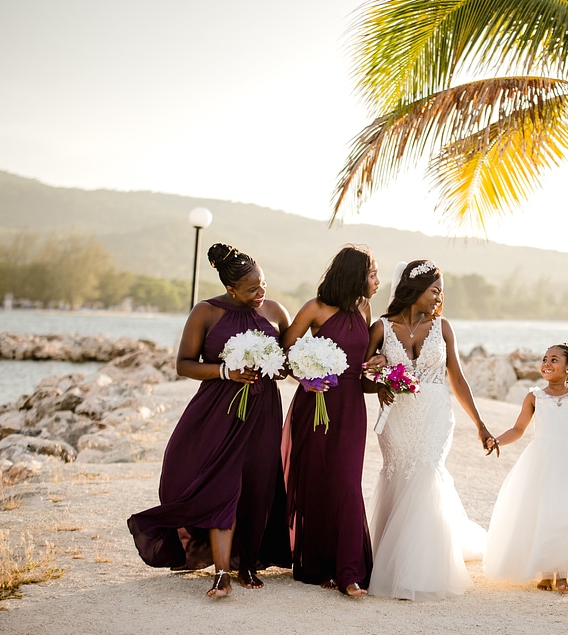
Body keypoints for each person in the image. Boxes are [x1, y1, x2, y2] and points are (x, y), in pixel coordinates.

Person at [128, 243, 291, 598]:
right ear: (231, 289)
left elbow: (286, 364)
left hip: (263, 413)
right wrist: (225, 371)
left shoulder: (277, 311)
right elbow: (183, 364)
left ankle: (247, 560)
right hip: (218, 411)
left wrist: (291, 369)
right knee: (222, 486)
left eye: (262, 283)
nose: (260, 292)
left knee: (258, 485)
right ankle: (221, 572)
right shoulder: (206, 312)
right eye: (252, 288)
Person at [362, 259, 494, 600]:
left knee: (426, 473)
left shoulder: (443, 327)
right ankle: (390, 560)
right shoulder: (380, 328)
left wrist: (479, 424)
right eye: (434, 290)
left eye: (441, 293)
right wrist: (377, 379)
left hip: (436, 413)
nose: (438, 298)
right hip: (397, 416)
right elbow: (361, 378)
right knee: (399, 474)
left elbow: (458, 378)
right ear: (414, 289)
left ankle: (423, 569)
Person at [281, 245, 380, 597]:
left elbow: (363, 362)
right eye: (372, 274)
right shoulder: (315, 308)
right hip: (316, 403)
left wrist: (379, 364)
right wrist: (305, 377)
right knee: (317, 481)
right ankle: (319, 566)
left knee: (347, 482)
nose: (377, 282)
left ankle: (350, 572)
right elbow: (285, 352)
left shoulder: (365, 309)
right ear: (354, 275)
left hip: (351, 406)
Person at [482, 343, 568, 594]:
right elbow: (518, 429)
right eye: (544, 359)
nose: (547, 363)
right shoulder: (534, 396)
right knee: (541, 512)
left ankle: (563, 575)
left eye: (554, 359)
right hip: (541, 460)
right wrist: (497, 439)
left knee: (567, 512)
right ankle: (544, 571)